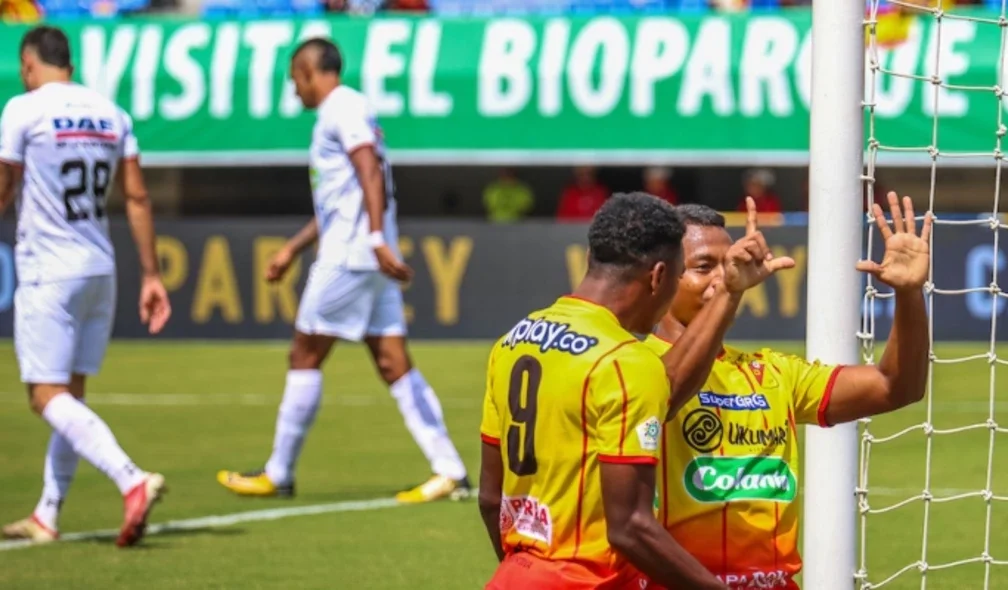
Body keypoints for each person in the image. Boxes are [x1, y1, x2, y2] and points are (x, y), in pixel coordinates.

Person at [477, 192, 794, 590]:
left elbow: (491, 499)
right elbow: (630, 528)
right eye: (678, 276)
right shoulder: (626, 361)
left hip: (513, 577)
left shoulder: (513, 341)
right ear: (658, 276)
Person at [216, 38, 470, 504]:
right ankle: (450, 470)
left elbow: (368, 170)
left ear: (310, 72)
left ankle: (279, 473)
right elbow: (343, 198)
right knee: (393, 362)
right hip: (364, 252)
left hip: (351, 255)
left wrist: (373, 238)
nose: (294, 89)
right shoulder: (348, 110)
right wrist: (294, 248)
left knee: (304, 353)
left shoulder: (342, 108)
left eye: (295, 79)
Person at [644, 196, 930, 589]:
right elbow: (668, 390)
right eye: (704, 267)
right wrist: (730, 293)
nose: (723, 277)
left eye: (729, 263)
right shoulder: (631, 365)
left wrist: (910, 295)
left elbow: (895, 387)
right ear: (661, 277)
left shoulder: (774, 372)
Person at [0, 25, 171, 548]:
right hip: (100, 267)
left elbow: (4, 185)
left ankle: (130, 478)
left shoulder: (24, 109)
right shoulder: (111, 114)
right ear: (70, 65)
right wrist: (151, 274)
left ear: (29, 66)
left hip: (49, 269)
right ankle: (47, 514)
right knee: (70, 396)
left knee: (45, 396)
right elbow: (137, 197)